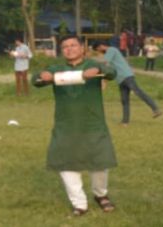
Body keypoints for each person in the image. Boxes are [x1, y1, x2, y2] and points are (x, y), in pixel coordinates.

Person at [34, 36, 119, 216]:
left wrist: (98, 68)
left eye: (73, 45)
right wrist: (43, 76)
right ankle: (79, 203)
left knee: (99, 161)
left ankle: (100, 194)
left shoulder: (92, 65)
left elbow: (111, 72)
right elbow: (36, 80)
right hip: (65, 125)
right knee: (66, 163)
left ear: (82, 48)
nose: (69, 49)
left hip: (93, 123)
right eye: (65, 46)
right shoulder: (56, 68)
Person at [92, 38, 162, 123]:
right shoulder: (109, 54)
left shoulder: (111, 50)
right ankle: (125, 121)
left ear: (100, 46)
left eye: (97, 50)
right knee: (124, 100)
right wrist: (104, 80)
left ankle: (156, 109)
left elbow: (104, 61)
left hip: (126, 76)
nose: (98, 52)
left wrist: (89, 61)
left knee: (139, 92)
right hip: (120, 79)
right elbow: (107, 68)